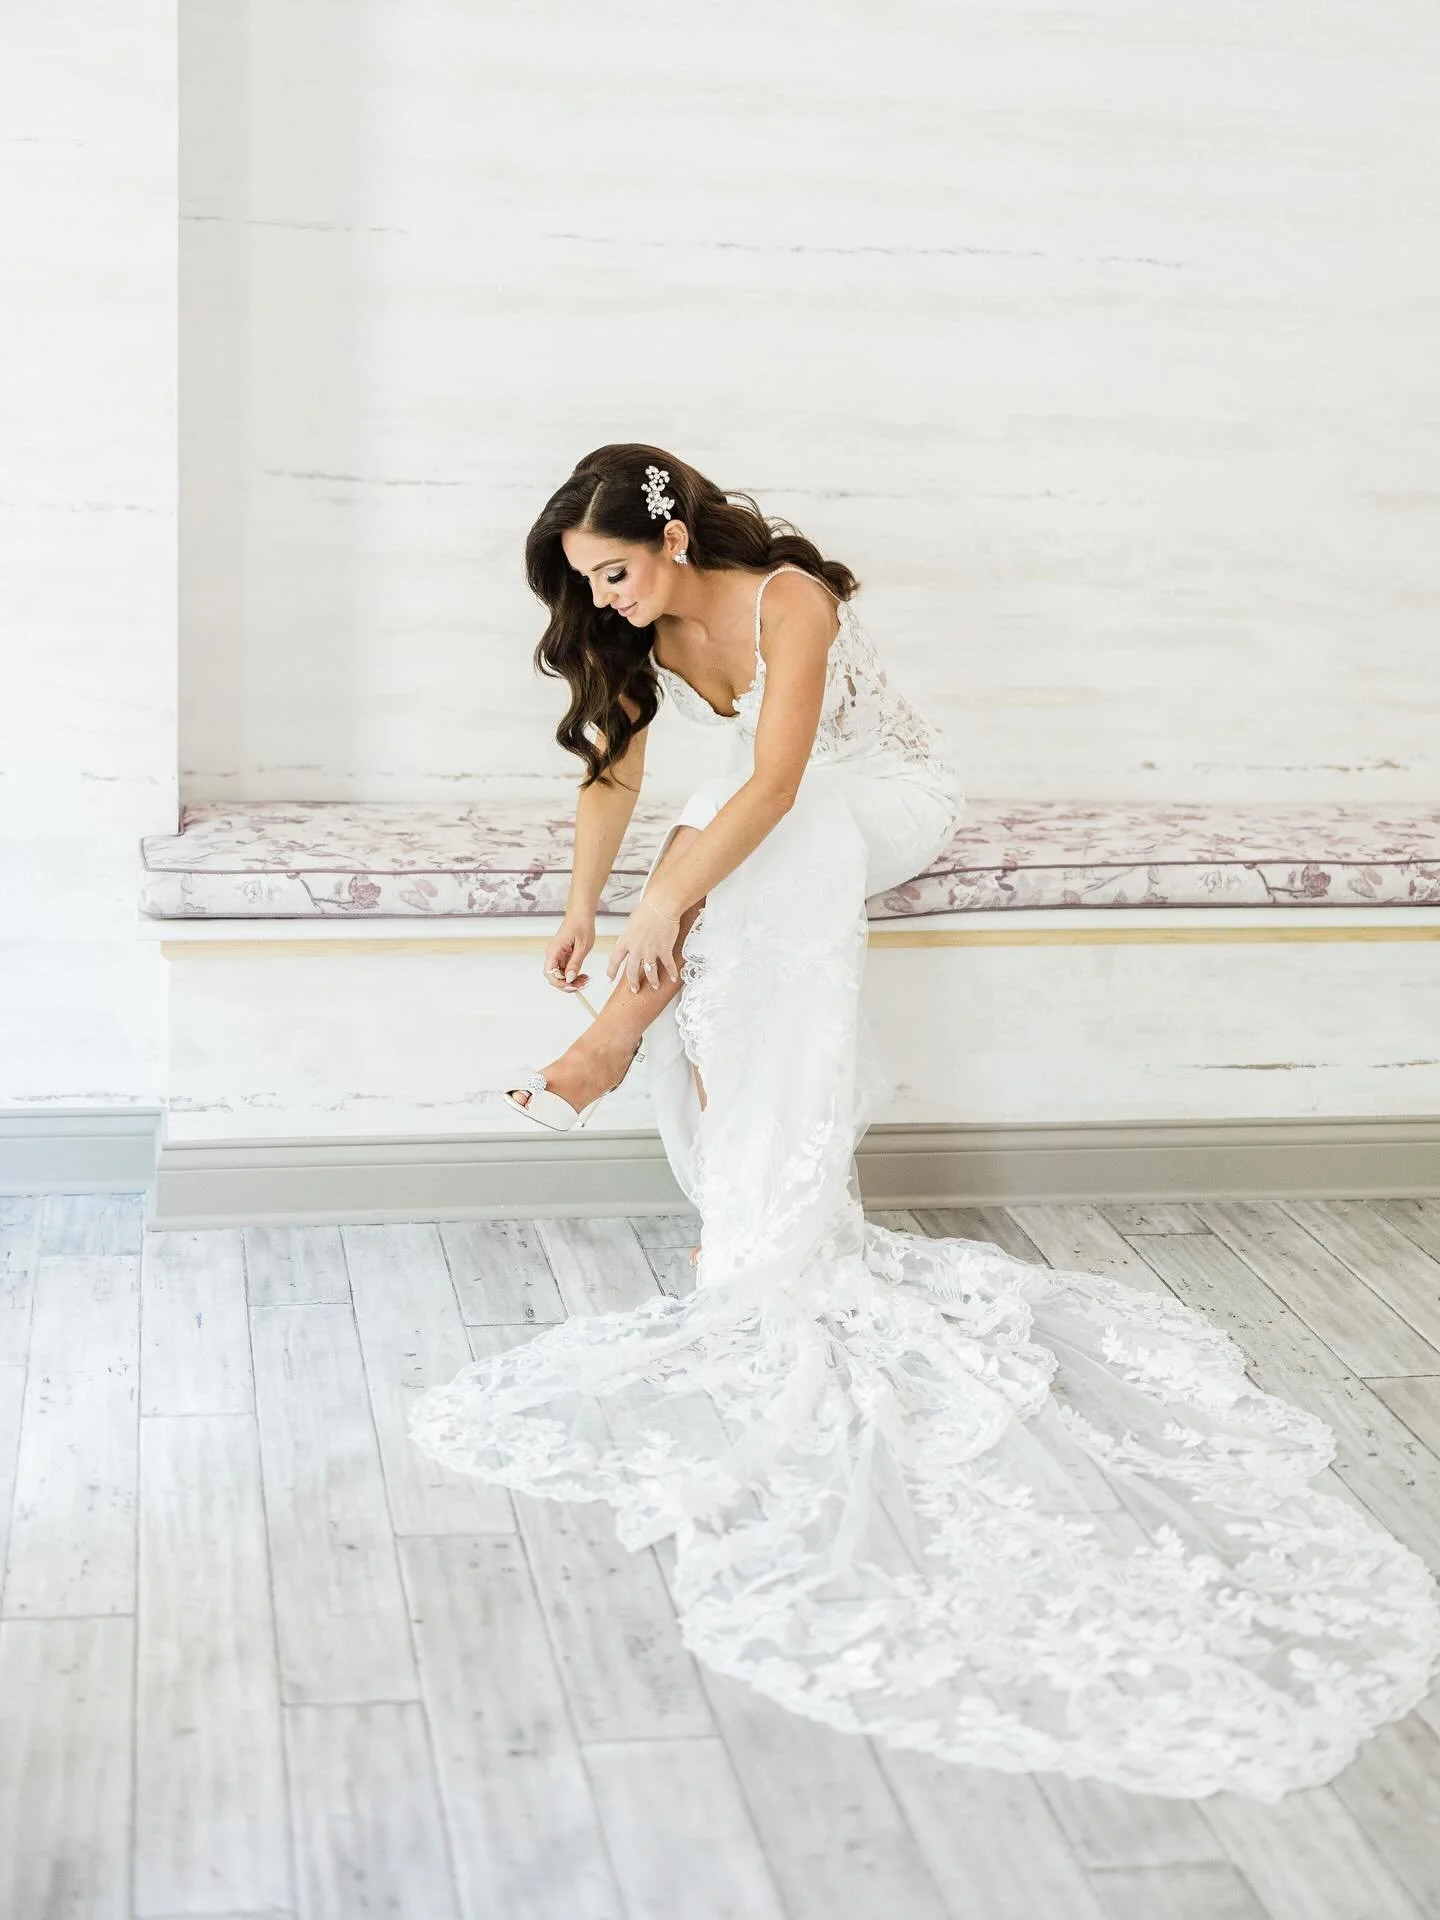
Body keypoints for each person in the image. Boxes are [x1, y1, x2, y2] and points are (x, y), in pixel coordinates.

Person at [409, 443, 1440, 1801]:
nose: (601, 605)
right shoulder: (635, 632)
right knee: (729, 859)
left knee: (759, 823)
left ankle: (612, 1039)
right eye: (586, 587)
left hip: (883, 800)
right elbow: (609, 773)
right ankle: (703, 1147)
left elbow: (782, 781)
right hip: (774, 834)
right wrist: (584, 907)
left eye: (611, 573)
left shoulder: (787, 596)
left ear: (666, 535)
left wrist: (660, 905)